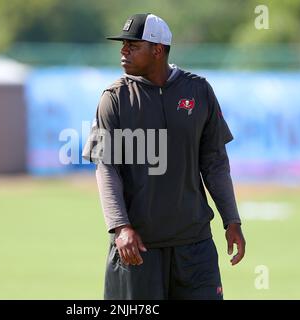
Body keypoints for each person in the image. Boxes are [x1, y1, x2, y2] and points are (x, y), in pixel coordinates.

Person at [82, 13, 246, 300]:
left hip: (195, 247)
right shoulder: (115, 97)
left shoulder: (199, 90)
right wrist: (121, 227)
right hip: (137, 249)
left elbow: (215, 162)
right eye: (123, 45)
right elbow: (106, 168)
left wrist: (231, 220)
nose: (123, 51)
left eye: (133, 45)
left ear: (158, 50)